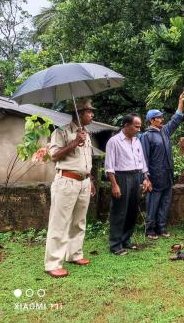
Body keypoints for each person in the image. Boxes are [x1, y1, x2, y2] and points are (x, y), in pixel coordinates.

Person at [44, 99, 97, 278]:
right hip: (66, 181)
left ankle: (74, 254)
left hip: (83, 182)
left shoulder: (86, 133)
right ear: (79, 113)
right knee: (59, 223)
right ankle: (53, 263)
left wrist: (90, 180)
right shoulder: (61, 132)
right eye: (89, 112)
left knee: (79, 221)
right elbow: (53, 156)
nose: (92, 115)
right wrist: (74, 142)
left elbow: (85, 161)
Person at [105, 113, 151, 255]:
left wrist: (146, 177)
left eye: (139, 127)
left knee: (132, 210)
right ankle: (115, 245)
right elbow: (109, 166)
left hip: (136, 176)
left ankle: (126, 240)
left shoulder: (137, 140)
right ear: (126, 125)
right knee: (119, 211)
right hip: (121, 177)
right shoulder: (114, 141)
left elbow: (142, 161)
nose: (138, 129)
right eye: (136, 126)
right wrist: (114, 184)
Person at [140, 93, 184, 239]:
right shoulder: (147, 136)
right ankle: (150, 230)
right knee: (153, 203)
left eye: (161, 117)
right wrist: (145, 177)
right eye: (159, 117)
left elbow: (175, 120)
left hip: (167, 175)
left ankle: (162, 228)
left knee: (165, 203)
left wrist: (180, 103)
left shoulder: (164, 131)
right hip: (155, 177)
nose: (162, 119)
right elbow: (143, 158)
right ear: (152, 121)